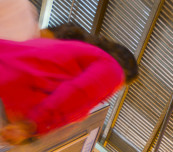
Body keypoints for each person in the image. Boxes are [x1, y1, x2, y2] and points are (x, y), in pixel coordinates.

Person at [0, 34, 138, 144]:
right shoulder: (113, 70)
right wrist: (33, 125)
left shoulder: (80, 49)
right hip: (9, 95)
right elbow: (77, 94)